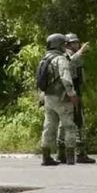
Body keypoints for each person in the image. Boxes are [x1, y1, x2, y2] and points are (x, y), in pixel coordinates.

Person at [38, 33, 78, 166]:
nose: (65, 46)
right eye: (63, 44)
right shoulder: (60, 59)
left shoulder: (45, 59)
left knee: (49, 126)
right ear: (59, 45)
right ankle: (70, 157)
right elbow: (66, 78)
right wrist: (72, 94)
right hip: (62, 98)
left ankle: (46, 156)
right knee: (69, 127)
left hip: (48, 98)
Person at [56, 33, 95, 164]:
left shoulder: (74, 55)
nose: (77, 45)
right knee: (65, 123)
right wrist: (80, 52)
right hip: (68, 93)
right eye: (73, 43)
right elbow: (69, 66)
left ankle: (81, 153)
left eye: (77, 42)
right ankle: (62, 153)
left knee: (79, 122)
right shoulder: (64, 56)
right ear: (67, 44)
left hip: (76, 91)